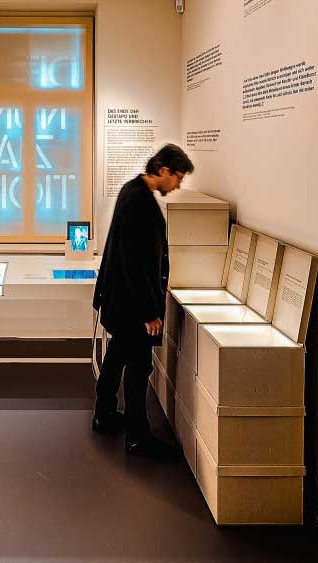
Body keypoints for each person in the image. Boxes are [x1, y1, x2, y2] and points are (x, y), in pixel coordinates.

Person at [91, 144, 193, 458]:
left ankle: (104, 414)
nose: (178, 185)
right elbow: (136, 263)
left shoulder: (132, 191)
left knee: (118, 356)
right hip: (133, 306)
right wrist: (150, 312)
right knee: (138, 366)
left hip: (121, 301)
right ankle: (137, 436)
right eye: (178, 177)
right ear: (163, 170)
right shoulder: (140, 201)